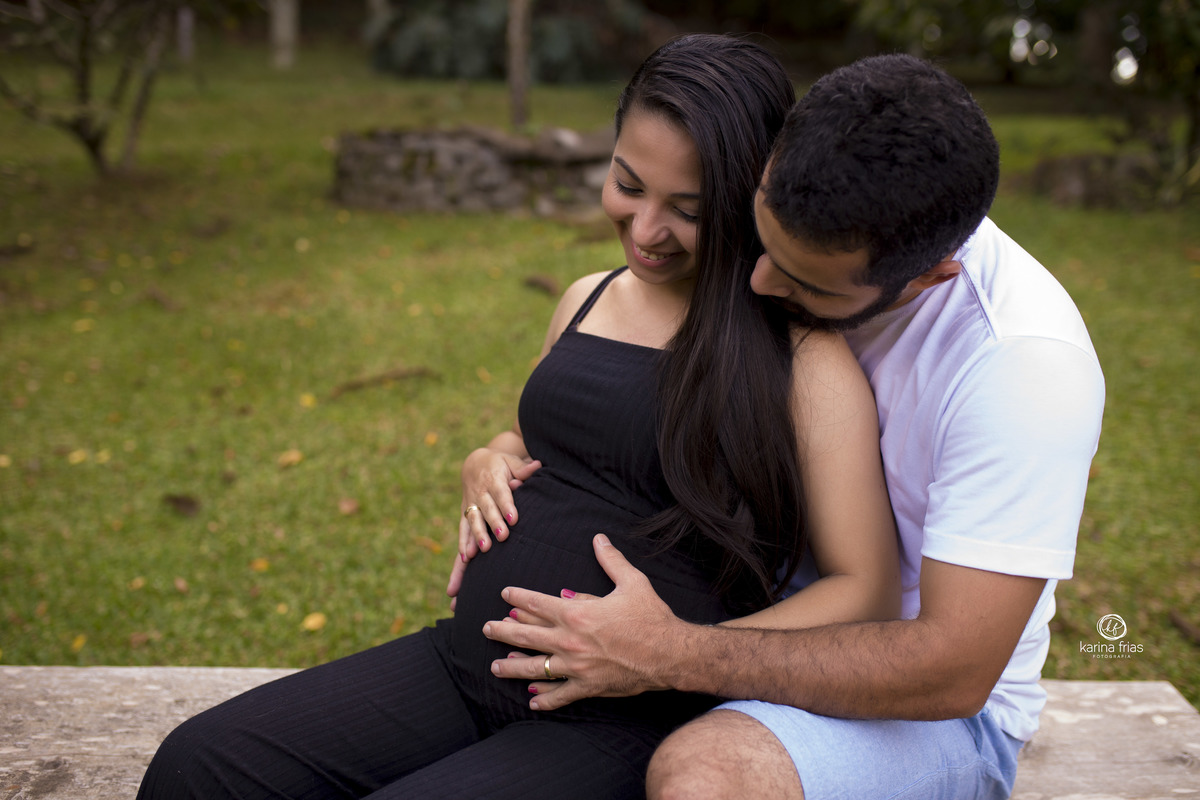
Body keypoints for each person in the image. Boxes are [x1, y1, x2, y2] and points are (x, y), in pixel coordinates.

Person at [136, 35, 902, 800]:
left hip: (621, 718)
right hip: (464, 665)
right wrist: (487, 457)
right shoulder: (587, 298)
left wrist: (678, 652)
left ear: (746, 202)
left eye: (688, 211)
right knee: (196, 767)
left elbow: (862, 590)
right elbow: (543, 444)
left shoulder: (801, 362)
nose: (644, 230)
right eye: (628, 184)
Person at [483, 53, 1106, 800]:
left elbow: (953, 669)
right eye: (760, 238)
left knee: (703, 778)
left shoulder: (1020, 372)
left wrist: (673, 655)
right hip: (725, 628)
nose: (759, 284)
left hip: (918, 709)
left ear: (931, 273)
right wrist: (499, 452)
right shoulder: (806, 203)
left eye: (805, 282)